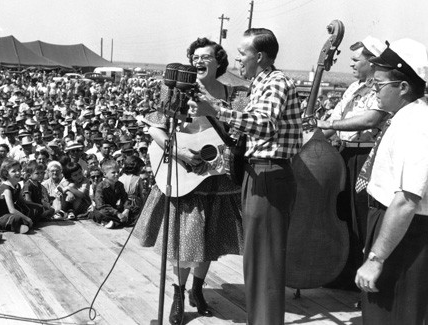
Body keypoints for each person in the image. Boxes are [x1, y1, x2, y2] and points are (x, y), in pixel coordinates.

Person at [190, 29, 302, 324]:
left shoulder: (275, 82)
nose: (238, 59)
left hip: (269, 173)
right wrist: (214, 110)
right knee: (256, 260)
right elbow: (243, 129)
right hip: (258, 172)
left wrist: (214, 108)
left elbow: (264, 125)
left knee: (264, 261)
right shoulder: (260, 83)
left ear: (260, 56)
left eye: (242, 54)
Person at [135, 37, 244, 324]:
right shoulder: (178, 90)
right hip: (185, 177)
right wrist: (179, 151)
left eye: (206, 56)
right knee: (185, 242)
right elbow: (155, 130)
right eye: (195, 57)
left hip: (217, 178)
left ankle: (198, 289)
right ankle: (179, 293)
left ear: (219, 61)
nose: (198, 61)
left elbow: (239, 132)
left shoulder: (233, 94)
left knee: (209, 239)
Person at [354, 38, 428, 325]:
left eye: (379, 85)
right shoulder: (405, 116)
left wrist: (376, 259)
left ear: (404, 87)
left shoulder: (418, 124)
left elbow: (407, 200)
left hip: (407, 235)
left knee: (393, 317)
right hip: (390, 226)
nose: (374, 91)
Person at [315, 36, 390, 290]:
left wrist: (330, 125)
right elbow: (332, 123)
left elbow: (370, 120)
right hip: (344, 155)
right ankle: (345, 274)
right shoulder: (351, 88)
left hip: (365, 156)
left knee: (362, 219)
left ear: (372, 62)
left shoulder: (381, 89)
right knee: (344, 217)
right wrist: (310, 140)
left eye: (356, 60)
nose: (351, 64)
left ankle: (365, 280)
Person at [91, 160, 132, 229]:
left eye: (118, 172)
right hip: (107, 210)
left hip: (115, 208)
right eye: (113, 172)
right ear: (105, 174)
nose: (117, 174)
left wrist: (126, 210)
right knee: (100, 213)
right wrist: (117, 213)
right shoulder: (100, 187)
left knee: (134, 209)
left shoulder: (119, 185)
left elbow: (125, 199)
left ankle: (113, 222)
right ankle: (115, 221)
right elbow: (100, 205)